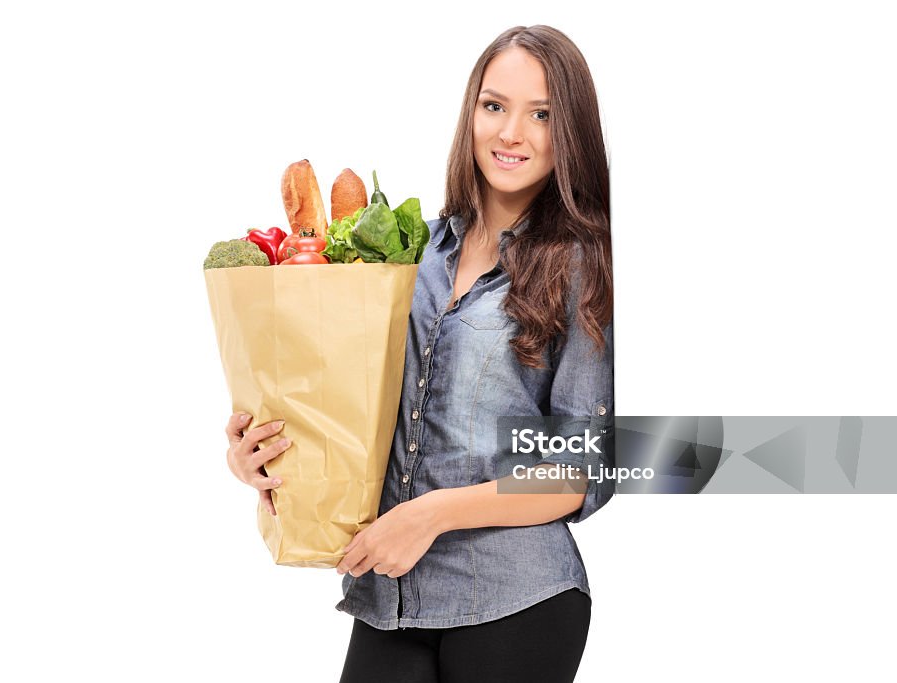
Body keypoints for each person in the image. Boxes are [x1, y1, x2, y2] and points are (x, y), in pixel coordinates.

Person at [226, 24, 614, 683]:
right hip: (393, 596)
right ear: (471, 113)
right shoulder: (406, 255)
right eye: (494, 105)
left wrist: (433, 514)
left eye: (541, 114)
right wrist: (259, 451)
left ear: (568, 131)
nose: (511, 131)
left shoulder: (580, 267)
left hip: (517, 596)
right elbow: (349, 408)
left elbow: (581, 471)